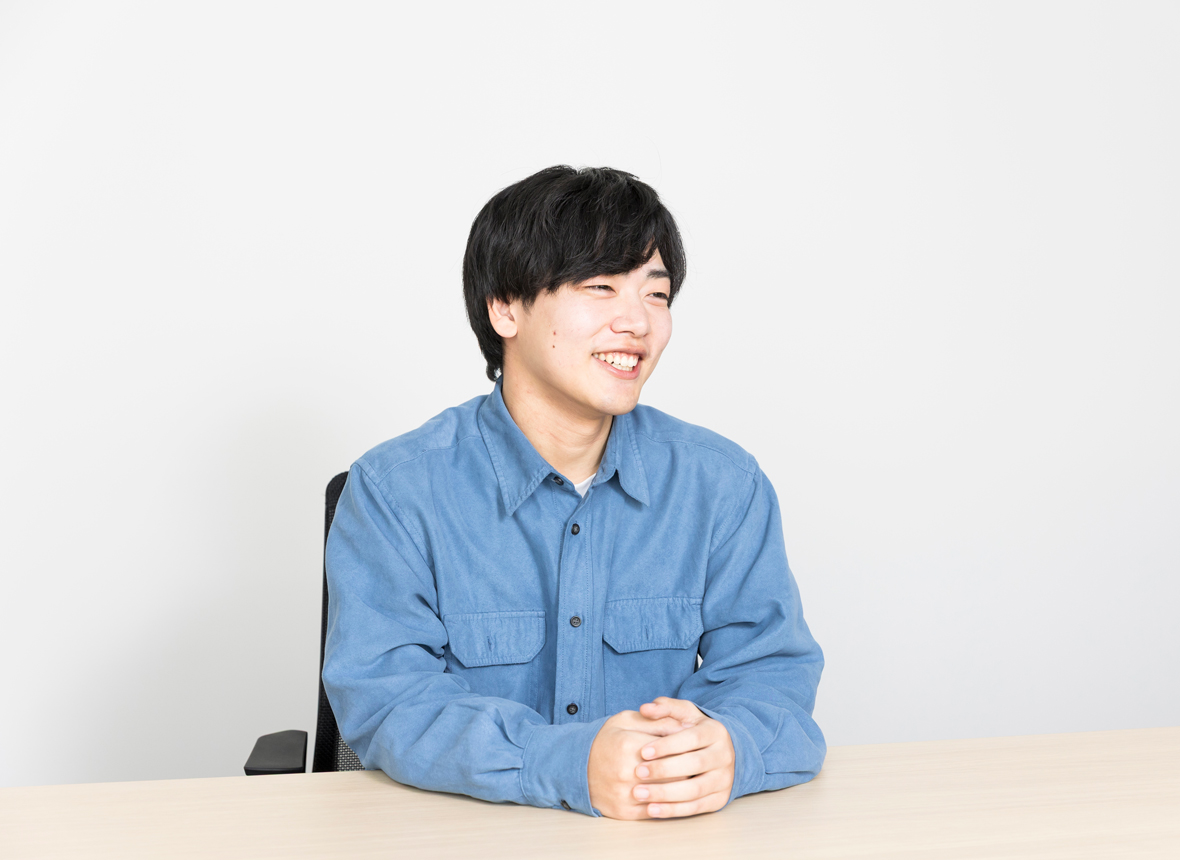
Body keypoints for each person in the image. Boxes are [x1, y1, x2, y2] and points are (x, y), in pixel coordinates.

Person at [322, 166, 825, 820]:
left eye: (656, 294)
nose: (638, 322)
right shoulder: (395, 492)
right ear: (506, 307)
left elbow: (773, 679)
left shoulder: (723, 484)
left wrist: (728, 748)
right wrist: (568, 763)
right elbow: (389, 704)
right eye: (601, 286)